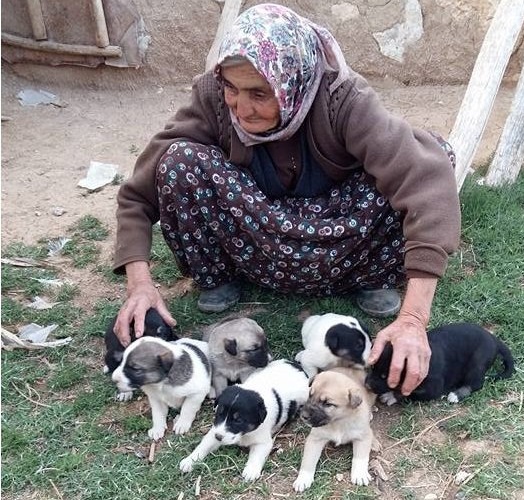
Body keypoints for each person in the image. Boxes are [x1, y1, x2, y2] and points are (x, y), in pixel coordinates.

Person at [112, 3, 460, 396]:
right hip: (257, 244)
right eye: (231, 88)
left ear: (291, 80)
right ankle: (220, 280)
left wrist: (414, 318)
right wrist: (139, 284)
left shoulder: (343, 99)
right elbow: (139, 190)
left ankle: (373, 278)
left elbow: (426, 182)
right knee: (179, 161)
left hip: (342, 241)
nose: (241, 109)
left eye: (259, 93)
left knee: (434, 155)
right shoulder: (212, 98)